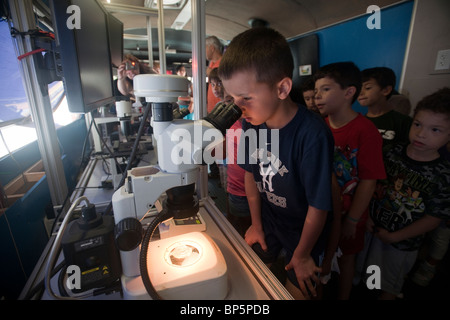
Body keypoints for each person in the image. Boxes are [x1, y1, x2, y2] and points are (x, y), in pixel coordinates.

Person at [219, 27, 335, 300]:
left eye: (245, 98)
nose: (239, 108)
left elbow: (319, 206)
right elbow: (250, 177)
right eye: (233, 99)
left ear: (282, 88)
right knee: (244, 283)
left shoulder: (312, 134)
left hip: (305, 232)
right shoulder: (251, 126)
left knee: (301, 291)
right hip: (271, 222)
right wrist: (257, 224)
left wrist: (303, 253)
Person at [360, 87, 450, 299]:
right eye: (417, 124)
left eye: (435, 130)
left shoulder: (443, 174)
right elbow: (371, 185)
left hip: (401, 244)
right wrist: (368, 217)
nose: (421, 133)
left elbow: (433, 218)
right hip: (372, 230)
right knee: (369, 277)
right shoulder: (391, 152)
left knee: (388, 284)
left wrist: (395, 237)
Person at [313, 61, 386, 300]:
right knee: (320, 257)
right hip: (323, 209)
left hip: (349, 212)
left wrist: (353, 219)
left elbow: (369, 180)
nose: (317, 96)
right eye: (316, 91)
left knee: (346, 260)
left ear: (349, 92)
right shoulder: (318, 127)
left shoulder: (365, 130)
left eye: (325, 89)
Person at [358, 67, 412, 151]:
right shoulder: (359, 122)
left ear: (386, 90)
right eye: (358, 88)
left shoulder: (404, 122)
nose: (360, 93)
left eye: (367, 88)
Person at [206, 35, 223, 114]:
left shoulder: (224, 63)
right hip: (212, 111)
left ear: (212, 48)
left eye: (205, 48)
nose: (204, 52)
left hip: (221, 111)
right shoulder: (212, 64)